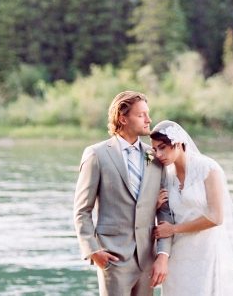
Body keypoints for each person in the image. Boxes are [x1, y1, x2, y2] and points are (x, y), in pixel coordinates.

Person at [73, 91, 173, 296]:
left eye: (148, 113)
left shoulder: (154, 156)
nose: (149, 120)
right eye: (141, 115)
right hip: (113, 258)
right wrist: (93, 251)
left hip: (147, 259)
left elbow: (164, 212)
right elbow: (82, 210)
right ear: (122, 118)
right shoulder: (97, 154)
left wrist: (162, 254)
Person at [151, 120, 233, 295]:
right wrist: (154, 204)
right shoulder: (166, 176)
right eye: (155, 149)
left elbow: (216, 217)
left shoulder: (208, 169)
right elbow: (163, 215)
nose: (158, 154)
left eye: (162, 147)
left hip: (206, 252)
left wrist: (174, 229)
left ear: (177, 144)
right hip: (178, 256)